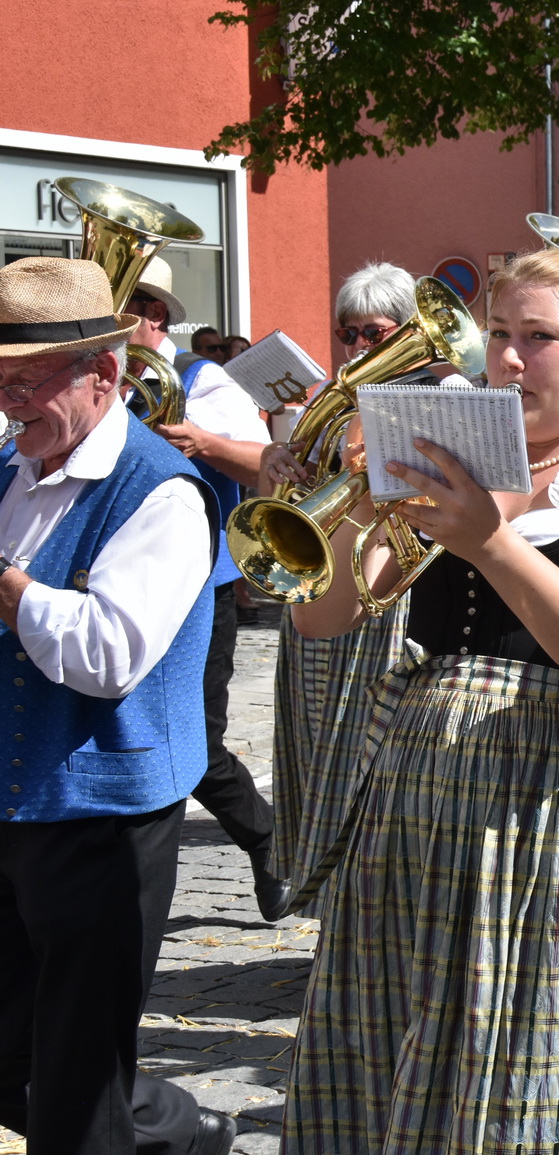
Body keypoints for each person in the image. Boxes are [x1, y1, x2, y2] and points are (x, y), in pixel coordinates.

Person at [282, 247, 559, 1151]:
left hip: (550, 801)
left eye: (540, 338)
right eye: (501, 335)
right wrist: (362, 496)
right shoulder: (461, 452)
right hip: (414, 793)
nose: (509, 360)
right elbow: (326, 617)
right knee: (383, 1044)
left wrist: (494, 542)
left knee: (523, 1073)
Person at [0, 257, 233, 1153]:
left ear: (104, 373)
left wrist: (7, 585)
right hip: (17, 801)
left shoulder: (162, 492)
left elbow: (106, 656)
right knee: (15, 1058)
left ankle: (158, 1130)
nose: (9, 400)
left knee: (76, 1086)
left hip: (105, 816)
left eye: (25, 380)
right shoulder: (13, 464)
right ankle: (182, 1132)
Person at [256, 261, 420, 919]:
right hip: (315, 600)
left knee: (366, 759)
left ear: (408, 330)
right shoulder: (330, 400)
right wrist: (274, 465)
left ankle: (370, 914)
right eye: (346, 332)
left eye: (371, 331)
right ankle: (327, 912)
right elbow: (279, 507)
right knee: (313, 747)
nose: (355, 346)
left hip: (384, 600)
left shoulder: (431, 396)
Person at [125, 258, 284, 921]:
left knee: (196, 741)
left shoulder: (203, 378)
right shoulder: (119, 382)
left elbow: (266, 460)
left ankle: (268, 839)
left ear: (152, 314)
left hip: (199, 586)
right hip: (131, 579)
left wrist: (204, 440)